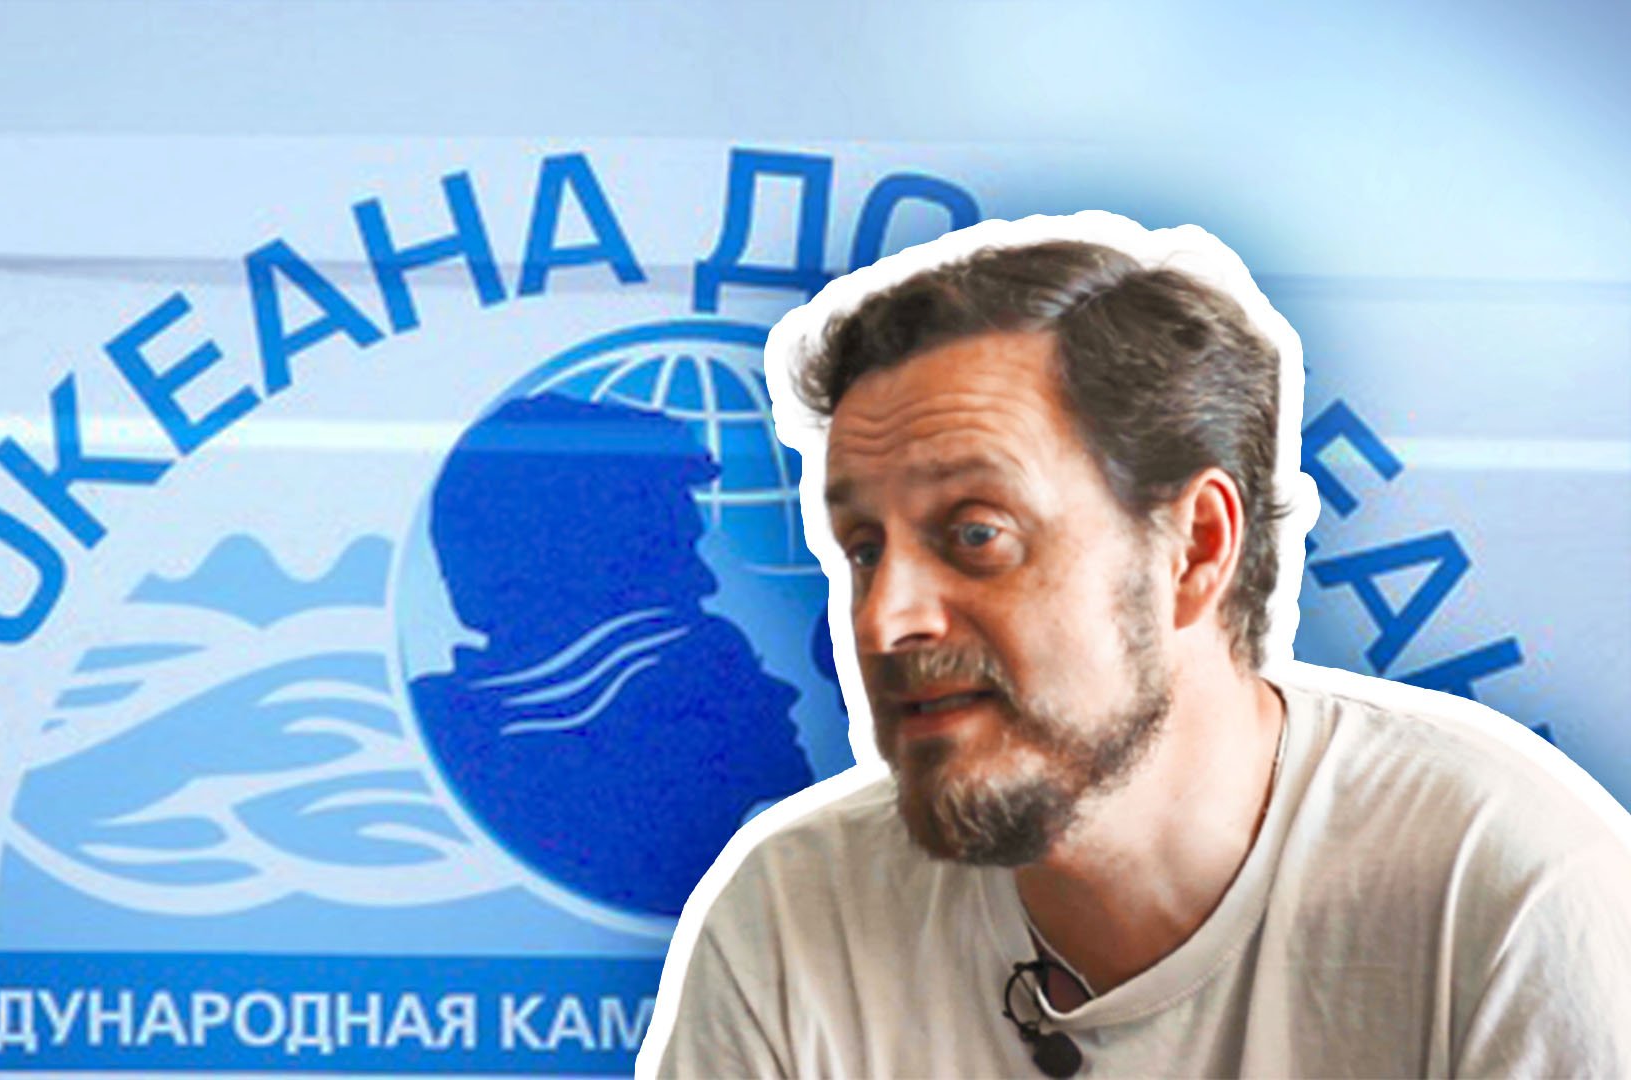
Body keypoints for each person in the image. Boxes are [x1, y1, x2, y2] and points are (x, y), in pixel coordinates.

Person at [642, 224, 1631, 1078]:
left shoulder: (1515, 892)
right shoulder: (790, 916)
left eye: (976, 533)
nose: (883, 621)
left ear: (1194, 547)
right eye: (864, 549)